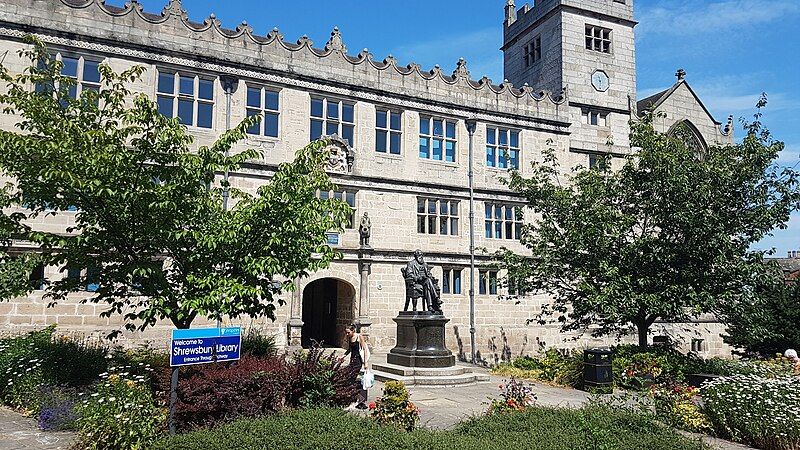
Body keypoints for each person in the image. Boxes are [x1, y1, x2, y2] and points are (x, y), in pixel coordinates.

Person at [343, 324, 370, 409]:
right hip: (352, 361)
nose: (347, 334)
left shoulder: (359, 337)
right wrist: (343, 356)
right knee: (352, 379)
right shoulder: (350, 338)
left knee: (356, 380)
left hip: (359, 361)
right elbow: (350, 349)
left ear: (353, 331)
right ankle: (355, 399)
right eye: (346, 333)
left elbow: (365, 349)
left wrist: (365, 362)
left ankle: (358, 401)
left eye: (348, 332)